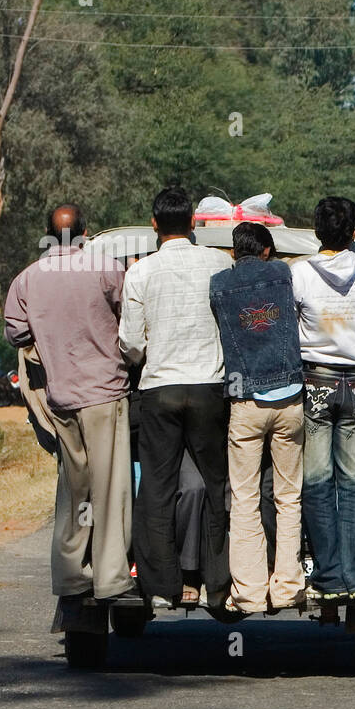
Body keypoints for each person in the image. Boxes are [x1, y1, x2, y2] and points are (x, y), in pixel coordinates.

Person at [4, 203, 134, 605]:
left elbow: (17, 334)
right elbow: (129, 318)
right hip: (105, 393)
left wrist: (51, 345)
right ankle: (111, 576)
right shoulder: (107, 269)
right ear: (86, 232)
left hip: (61, 398)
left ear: (48, 233)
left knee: (73, 488)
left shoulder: (27, 279)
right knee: (110, 488)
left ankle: (71, 574)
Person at [119, 187, 232, 607]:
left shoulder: (140, 273)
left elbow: (130, 344)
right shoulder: (220, 264)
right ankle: (218, 580)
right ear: (193, 224)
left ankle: (162, 585)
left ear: (154, 225)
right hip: (209, 389)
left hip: (160, 390)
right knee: (217, 484)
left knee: (157, 488)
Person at [291, 196, 355, 603]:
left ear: (316, 232)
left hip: (314, 383)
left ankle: (329, 577)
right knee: (352, 482)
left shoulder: (298, 274)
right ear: (353, 233)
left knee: (316, 482)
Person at [209, 221, 306, 615]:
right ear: (268, 251)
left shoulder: (218, 283)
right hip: (289, 400)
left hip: (245, 402)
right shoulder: (284, 274)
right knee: (288, 497)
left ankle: (249, 592)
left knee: (245, 499)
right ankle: (286, 588)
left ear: (235, 252)